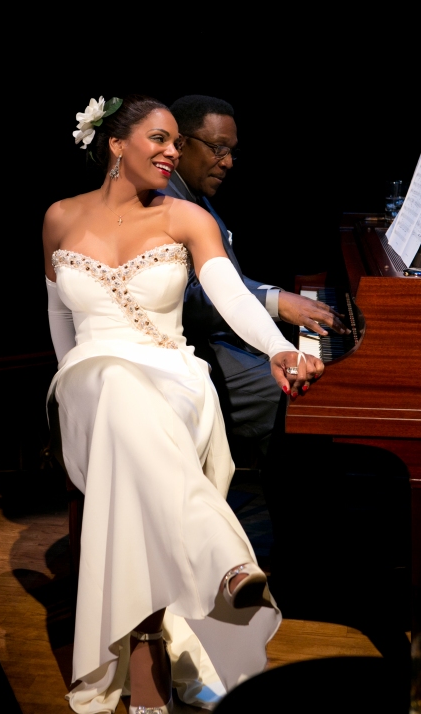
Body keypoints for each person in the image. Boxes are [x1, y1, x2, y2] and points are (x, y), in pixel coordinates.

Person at [43, 94, 324, 713]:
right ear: (116, 144)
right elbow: (60, 319)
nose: (173, 151)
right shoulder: (60, 217)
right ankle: (222, 561)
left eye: (177, 141)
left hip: (171, 380)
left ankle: (147, 677)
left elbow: (230, 295)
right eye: (160, 139)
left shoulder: (185, 218)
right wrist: (66, 392)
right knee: (109, 383)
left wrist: (279, 347)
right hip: (90, 386)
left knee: (129, 411)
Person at [160, 95, 349, 460]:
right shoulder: (163, 202)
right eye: (218, 149)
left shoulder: (192, 194)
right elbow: (185, 298)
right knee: (298, 395)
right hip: (195, 347)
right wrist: (276, 302)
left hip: (222, 337)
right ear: (180, 143)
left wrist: (278, 302)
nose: (228, 162)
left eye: (232, 151)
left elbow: (223, 277)